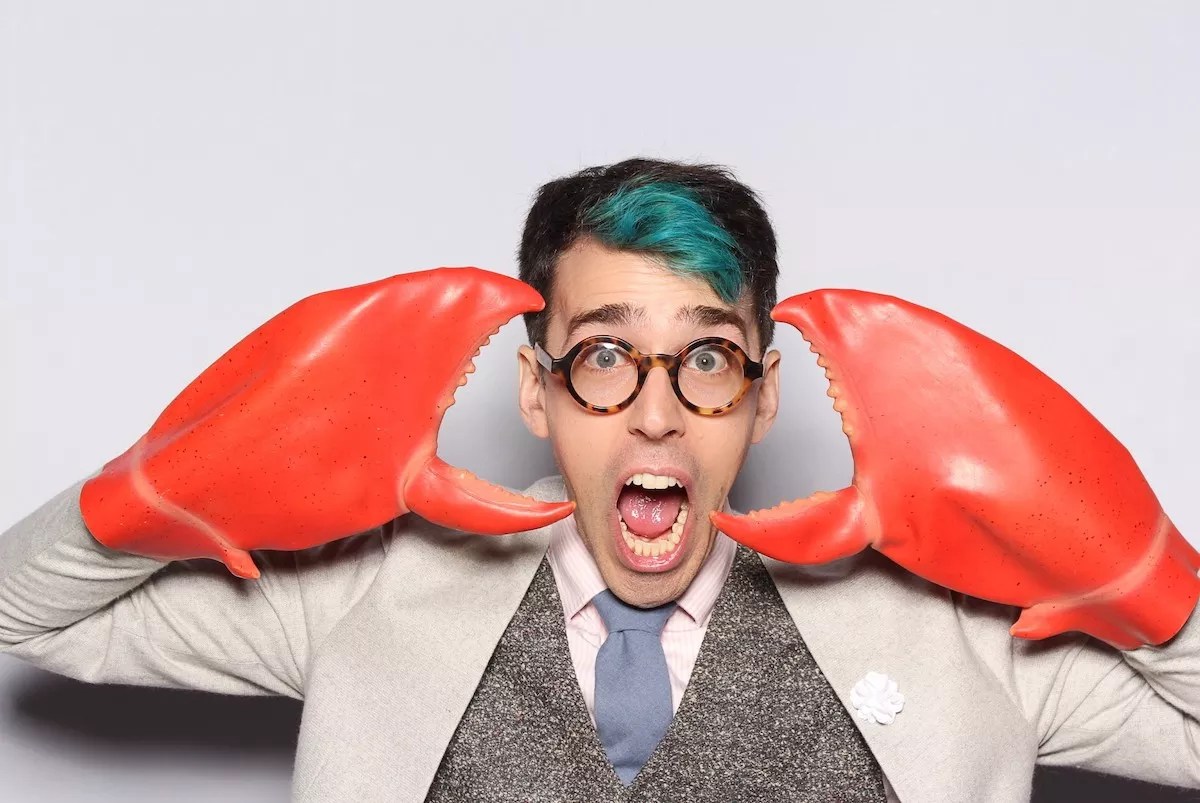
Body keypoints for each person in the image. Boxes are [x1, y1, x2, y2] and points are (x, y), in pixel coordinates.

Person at [1, 158, 1198, 802]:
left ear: (765, 394)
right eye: (606, 356)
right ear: (538, 391)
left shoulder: (951, 638)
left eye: (709, 357)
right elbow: (27, 615)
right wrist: (165, 485)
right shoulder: (373, 598)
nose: (658, 411)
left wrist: (1147, 574)